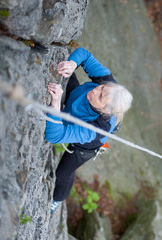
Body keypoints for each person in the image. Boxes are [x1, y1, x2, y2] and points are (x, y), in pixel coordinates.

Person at [46, 47, 133, 213]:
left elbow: (53, 136)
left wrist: (56, 104)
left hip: (82, 147)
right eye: (101, 89)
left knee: (63, 173)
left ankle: (58, 199)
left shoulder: (96, 130)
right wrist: (72, 64)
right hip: (74, 101)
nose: (95, 90)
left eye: (100, 97)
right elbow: (84, 55)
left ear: (106, 111)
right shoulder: (108, 85)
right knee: (66, 71)